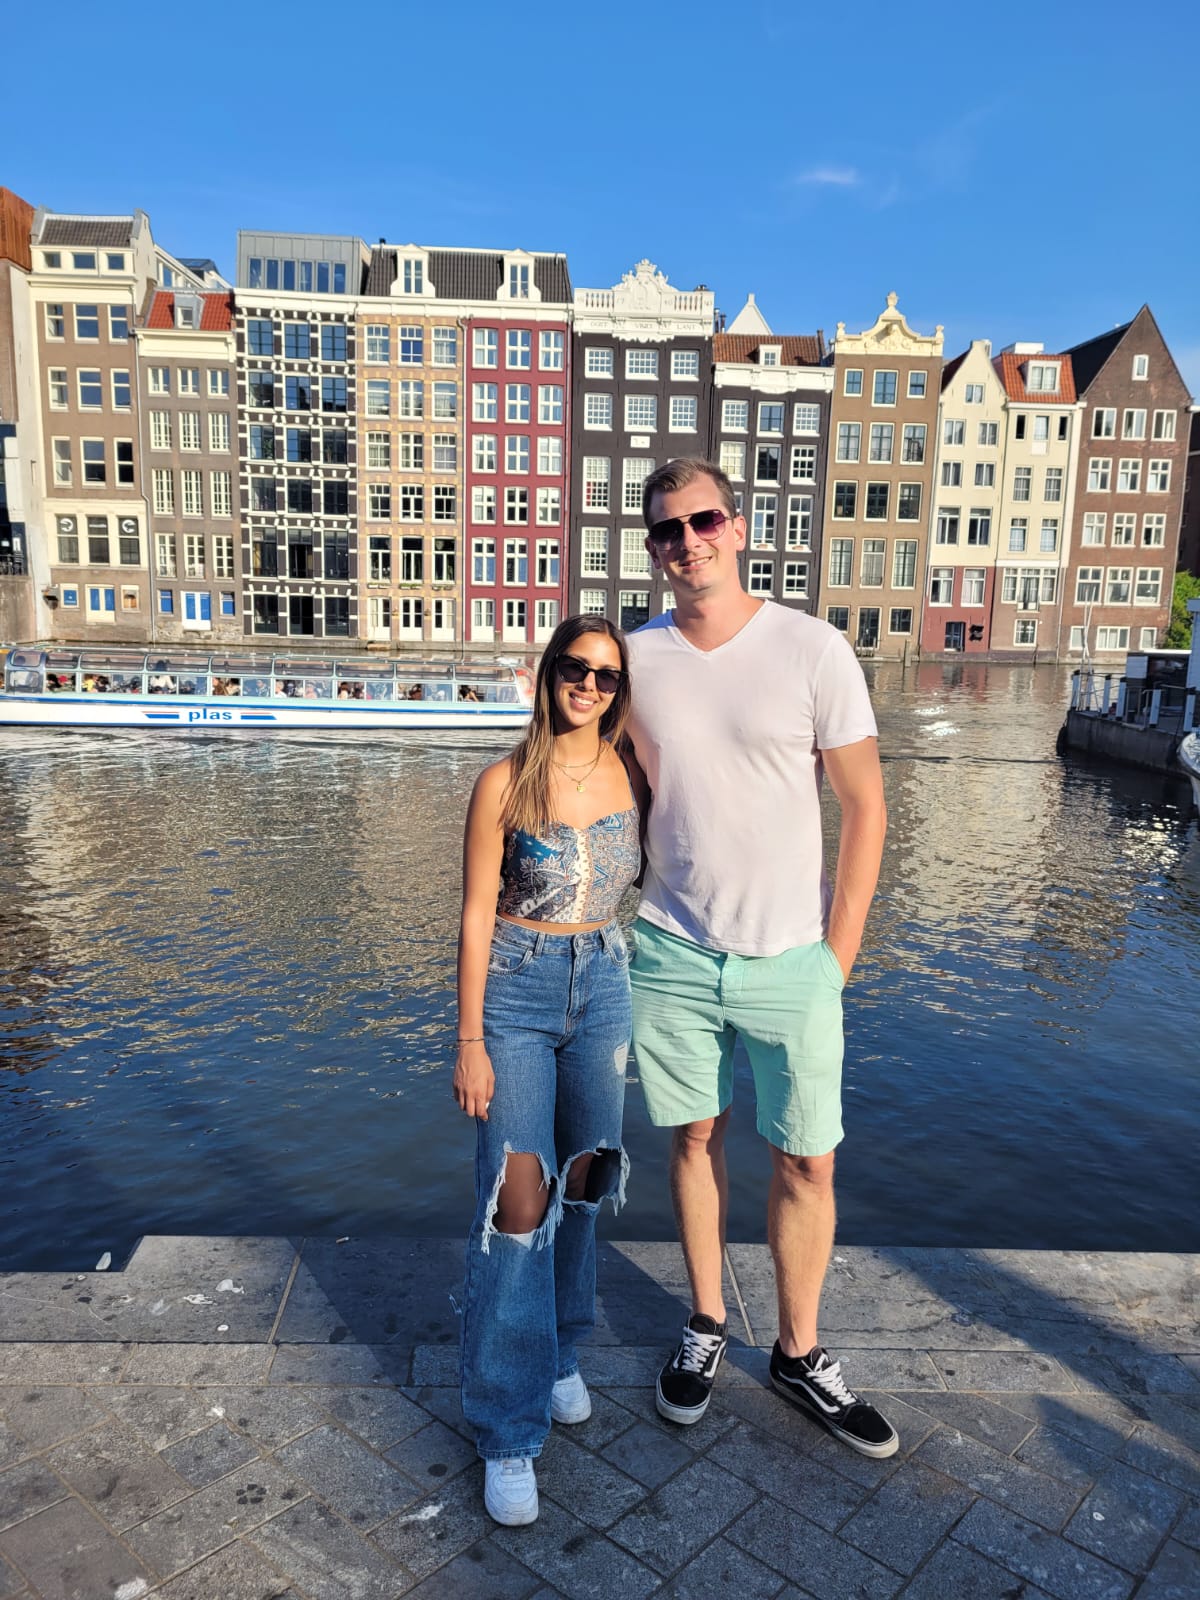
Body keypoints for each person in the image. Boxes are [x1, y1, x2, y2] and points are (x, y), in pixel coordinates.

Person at [625, 457, 896, 1461]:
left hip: (793, 958)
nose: (687, 541)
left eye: (703, 521)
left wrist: (837, 958)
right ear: (652, 548)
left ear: (736, 528)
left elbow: (865, 807)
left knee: (808, 1158)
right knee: (695, 1139)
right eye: (667, 529)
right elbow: (596, 782)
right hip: (672, 947)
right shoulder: (634, 660)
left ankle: (798, 1350)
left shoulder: (812, 648)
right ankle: (705, 1321)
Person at [454, 615, 645, 1527]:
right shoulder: (503, 781)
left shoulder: (633, 771)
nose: (589, 686)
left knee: (586, 1180)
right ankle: (506, 1426)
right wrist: (469, 1041)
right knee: (517, 1200)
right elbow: (474, 914)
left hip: (605, 978)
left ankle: (562, 1351)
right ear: (548, 673)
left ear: (620, 690)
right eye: (575, 668)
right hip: (517, 990)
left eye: (606, 676)